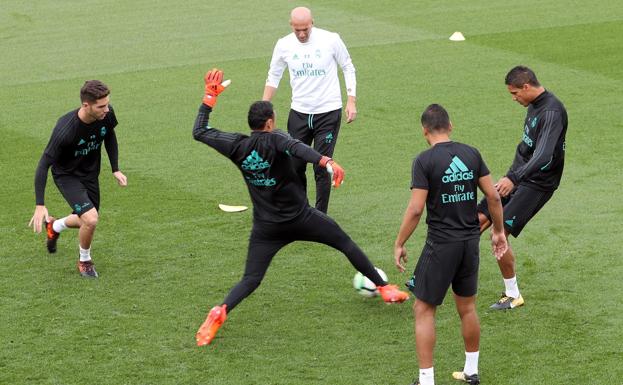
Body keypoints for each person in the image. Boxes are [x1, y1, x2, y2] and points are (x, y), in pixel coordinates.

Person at [193, 69, 408, 346]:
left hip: (267, 227)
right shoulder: (277, 138)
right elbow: (299, 149)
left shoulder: (238, 145)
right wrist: (327, 162)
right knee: (344, 242)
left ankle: (220, 310)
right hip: (301, 218)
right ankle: (384, 288)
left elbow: (199, 131)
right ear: (270, 122)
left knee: (251, 279)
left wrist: (210, 97)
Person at [394, 104, 507, 385]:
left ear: (424, 131)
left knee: (423, 309)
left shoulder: (424, 161)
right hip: (470, 243)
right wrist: (499, 231)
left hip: (442, 244)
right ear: (451, 125)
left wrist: (399, 242)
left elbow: (416, 209)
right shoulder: (471, 154)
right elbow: (493, 197)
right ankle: (471, 371)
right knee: (467, 308)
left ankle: (426, 380)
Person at [478, 65, 568, 310]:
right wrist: (510, 175)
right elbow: (526, 148)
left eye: (515, 93)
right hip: (517, 177)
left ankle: (513, 295)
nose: (514, 99)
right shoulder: (533, 106)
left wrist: (514, 179)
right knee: (475, 220)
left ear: (527, 87)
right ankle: (448, 275)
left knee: (499, 233)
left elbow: (543, 156)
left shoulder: (552, 112)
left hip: (538, 183)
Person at [262, 6, 357, 213]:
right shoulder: (284, 45)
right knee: (295, 166)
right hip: (299, 113)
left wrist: (351, 100)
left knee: (322, 166)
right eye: (298, 30)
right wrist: (264, 106)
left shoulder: (330, 39)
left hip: (328, 112)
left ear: (312, 22)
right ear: (291, 26)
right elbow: (274, 75)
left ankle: (320, 216)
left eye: (306, 29)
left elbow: (347, 66)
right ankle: (301, 210)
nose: (302, 34)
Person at [29, 80, 127, 278]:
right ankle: (85, 261)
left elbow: (109, 136)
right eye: (101, 106)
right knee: (91, 219)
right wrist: (40, 204)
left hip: (90, 173)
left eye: (107, 104)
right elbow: (43, 164)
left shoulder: (106, 114)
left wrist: (115, 168)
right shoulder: (66, 129)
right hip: (67, 176)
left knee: (86, 219)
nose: (106, 109)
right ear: (86, 105)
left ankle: (54, 226)